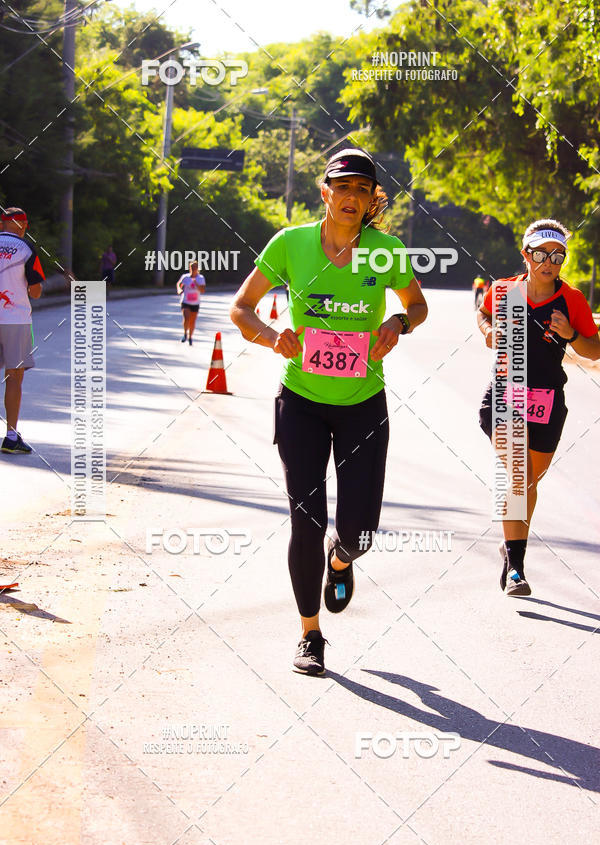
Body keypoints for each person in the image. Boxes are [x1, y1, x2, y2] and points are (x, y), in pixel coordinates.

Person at [230, 148, 428, 675]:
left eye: (363, 190)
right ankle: (310, 634)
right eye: (343, 187)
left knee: (359, 530)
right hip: (301, 403)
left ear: (371, 201)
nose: (352, 198)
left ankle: (341, 560)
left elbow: (418, 305)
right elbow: (241, 307)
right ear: (326, 192)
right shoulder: (291, 243)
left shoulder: (384, 251)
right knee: (306, 519)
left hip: (363, 403)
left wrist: (398, 324)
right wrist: (274, 338)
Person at [477, 218, 600, 596]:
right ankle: (515, 567)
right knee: (519, 476)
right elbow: (482, 315)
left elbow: (594, 350)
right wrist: (488, 331)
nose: (549, 261)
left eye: (557, 255)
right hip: (504, 394)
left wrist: (572, 335)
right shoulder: (504, 291)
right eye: (541, 254)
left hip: (548, 400)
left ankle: (510, 541)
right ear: (525, 254)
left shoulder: (572, 300)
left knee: (530, 481)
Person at [0, 207, 45, 454]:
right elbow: (36, 291)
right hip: (15, 319)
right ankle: (10, 436)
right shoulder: (26, 250)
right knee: (14, 377)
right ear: (24, 225)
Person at [176, 260, 206, 345]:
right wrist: (179, 290)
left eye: (195, 268)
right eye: (192, 267)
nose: (193, 269)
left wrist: (196, 283)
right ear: (190, 268)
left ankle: (190, 336)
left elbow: (202, 290)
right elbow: (179, 284)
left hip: (195, 303)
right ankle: (185, 333)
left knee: (192, 321)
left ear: (197, 268)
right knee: (186, 318)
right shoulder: (185, 277)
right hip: (185, 301)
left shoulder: (200, 278)